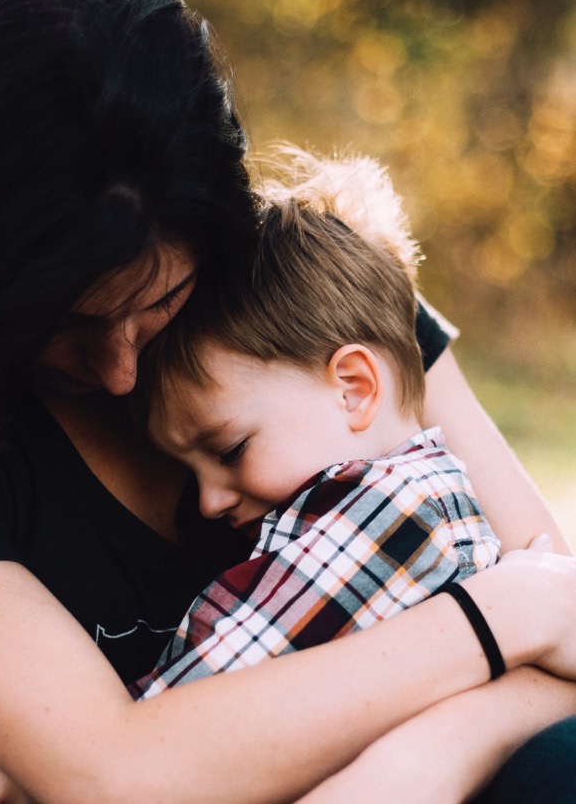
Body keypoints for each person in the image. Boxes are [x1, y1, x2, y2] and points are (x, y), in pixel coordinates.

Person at [0, 0, 575, 804]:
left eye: (158, 302)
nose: (121, 371)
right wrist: (500, 618)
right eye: (62, 326)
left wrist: (431, 755)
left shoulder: (311, 311)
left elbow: (566, 633)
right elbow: (112, 776)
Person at [130, 152, 502, 699]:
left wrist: (65, 754)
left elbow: (218, 685)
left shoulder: (391, 511)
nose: (208, 502)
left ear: (354, 389)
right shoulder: (407, 499)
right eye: (190, 470)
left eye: (230, 450)